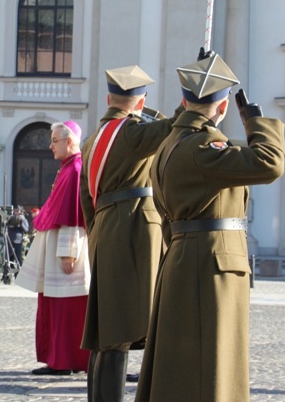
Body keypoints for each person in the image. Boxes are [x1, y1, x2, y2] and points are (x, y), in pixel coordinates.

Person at [135, 53, 285, 401]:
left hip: (187, 256)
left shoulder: (169, 145)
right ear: (223, 107)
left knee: (184, 364)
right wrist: (255, 122)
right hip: (211, 263)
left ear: (185, 101)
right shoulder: (203, 147)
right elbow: (270, 163)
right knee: (212, 364)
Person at [79, 65, 183, 401]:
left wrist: (97, 232)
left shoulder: (94, 138)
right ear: (140, 102)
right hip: (131, 230)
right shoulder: (132, 132)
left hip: (104, 228)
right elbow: (178, 125)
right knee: (118, 331)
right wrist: (196, 88)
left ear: (109, 98)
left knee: (105, 329)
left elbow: (85, 199)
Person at [16, 120, 90, 375]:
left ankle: (64, 362)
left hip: (66, 251)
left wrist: (68, 253)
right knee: (56, 306)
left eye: (55, 141)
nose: (50, 146)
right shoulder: (67, 168)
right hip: (58, 248)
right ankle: (61, 360)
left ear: (69, 142)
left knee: (65, 308)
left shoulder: (75, 169)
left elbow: (73, 216)